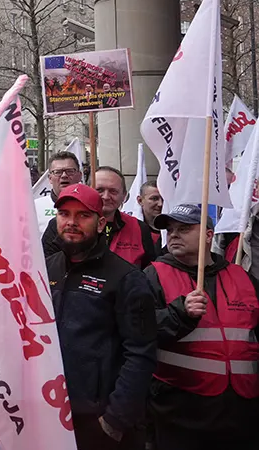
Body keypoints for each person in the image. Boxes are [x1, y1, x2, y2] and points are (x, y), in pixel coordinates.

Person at [45, 184, 157, 450]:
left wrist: (115, 420)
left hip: (97, 422)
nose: (71, 222)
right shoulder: (44, 267)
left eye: (83, 215)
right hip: (49, 413)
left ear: (100, 223)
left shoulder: (127, 278)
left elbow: (141, 353)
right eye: (64, 214)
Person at [145, 204, 259, 449]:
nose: (174, 234)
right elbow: (137, 332)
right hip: (179, 412)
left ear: (209, 235)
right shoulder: (152, 275)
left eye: (184, 228)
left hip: (241, 413)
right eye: (171, 229)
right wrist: (179, 313)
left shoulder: (241, 276)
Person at [43, 166, 158, 268]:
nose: (106, 197)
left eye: (113, 191)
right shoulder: (62, 226)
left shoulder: (139, 228)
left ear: (124, 196)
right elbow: (47, 267)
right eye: (99, 190)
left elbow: (149, 271)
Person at [35, 151, 83, 233]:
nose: (64, 175)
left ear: (79, 176)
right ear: (50, 178)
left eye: (70, 171)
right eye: (58, 172)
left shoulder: (90, 206)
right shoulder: (34, 208)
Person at [137, 180, 164, 247]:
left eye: (163, 199)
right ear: (140, 201)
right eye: (154, 199)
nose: (160, 204)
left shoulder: (175, 230)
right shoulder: (132, 230)